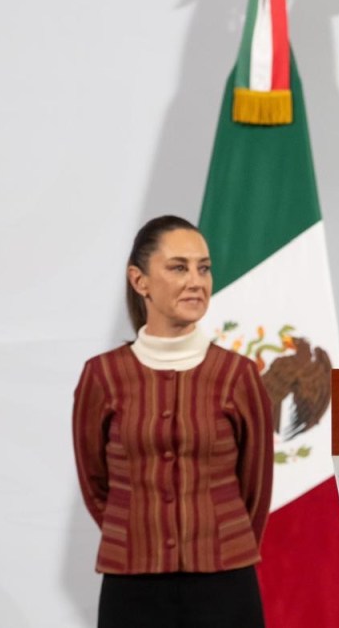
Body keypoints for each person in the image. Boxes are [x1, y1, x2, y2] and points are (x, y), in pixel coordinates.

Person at [72, 215, 273, 627]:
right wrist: (136, 533)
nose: (196, 280)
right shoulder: (102, 376)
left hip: (226, 586)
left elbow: (256, 486)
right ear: (139, 279)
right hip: (131, 589)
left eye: (204, 267)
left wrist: (218, 543)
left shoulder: (239, 375)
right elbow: (95, 485)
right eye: (179, 267)